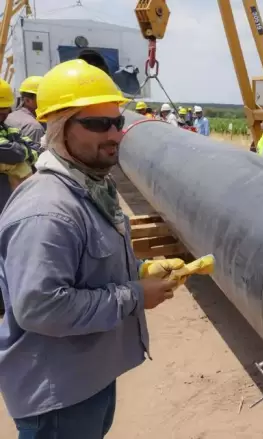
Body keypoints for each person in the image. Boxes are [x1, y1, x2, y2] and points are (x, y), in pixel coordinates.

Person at [0, 59, 183, 439]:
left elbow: (87, 267)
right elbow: (41, 308)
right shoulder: (48, 209)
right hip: (59, 395)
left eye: (117, 121)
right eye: (97, 124)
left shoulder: (90, 187)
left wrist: (139, 270)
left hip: (87, 378)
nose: (114, 133)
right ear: (59, 127)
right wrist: (134, 295)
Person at [0, 78, 41, 211]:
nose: (3, 113)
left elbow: (36, 150)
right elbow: (12, 152)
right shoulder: (33, 126)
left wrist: (21, 155)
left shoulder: (7, 128)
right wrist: (24, 155)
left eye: (5, 108)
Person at [6, 76, 45, 144]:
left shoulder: (9, 117)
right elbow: (37, 154)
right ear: (27, 100)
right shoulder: (35, 128)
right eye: (42, 97)